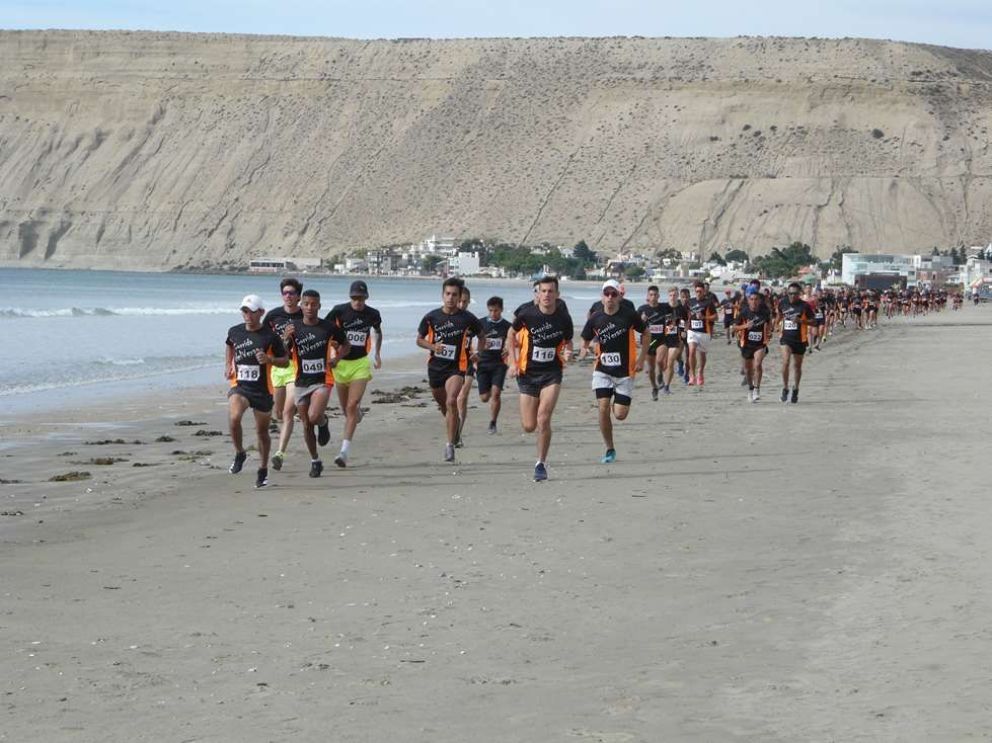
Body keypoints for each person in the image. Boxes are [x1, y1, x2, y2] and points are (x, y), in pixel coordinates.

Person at [507, 274, 574, 482]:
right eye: (543, 291)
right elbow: (511, 334)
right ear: (538, 293)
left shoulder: (563, 318)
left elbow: (568, 341)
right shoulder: (527, 314)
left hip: (552, 373)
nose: (546, 295)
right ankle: (537, 437)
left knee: (543, 418)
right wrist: (513, 362)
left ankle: (540, 463)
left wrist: (568, 352)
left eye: (550, 291)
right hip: (528, 374)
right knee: (529, 426)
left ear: (557, 294)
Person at [580, 279, 648, 463]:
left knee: (620, 415)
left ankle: (615, 400)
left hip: (625, 372)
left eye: (613, 294)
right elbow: (585, 339)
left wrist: (641, 359)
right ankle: (609, 449)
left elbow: (646, 333)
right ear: (602, 296)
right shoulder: (595, 318)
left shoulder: (629, 315)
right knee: (602, 408)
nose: (610, 297)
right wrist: (584, 349)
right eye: (606, 294)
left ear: (619, 297)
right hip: (602, 370)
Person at [225, 294, 289, 488]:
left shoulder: (270, 336)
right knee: (234, 417)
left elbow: (285, 361)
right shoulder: (235, 331)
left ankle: (262, 470)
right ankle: (240, 453)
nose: (247, 316)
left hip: (262, 390)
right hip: (241, 386)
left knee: (262, 432)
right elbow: (229, 345)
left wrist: (269, 360)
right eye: (244, 311)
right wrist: (228, 364)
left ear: (261, 313)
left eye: (252, 312)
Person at [416, 277, 482, 463]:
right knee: (444, 405)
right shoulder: (431, 317)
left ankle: (450, 445)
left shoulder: (467, 318)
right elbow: (419, 340)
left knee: (452, 400)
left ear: (460, 297)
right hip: (436, 368)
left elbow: (482, 336)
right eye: (448, 294)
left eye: (454, 295)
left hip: (457, 367)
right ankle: (455, 426)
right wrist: (432, 347)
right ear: (442, 295)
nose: (451, 298)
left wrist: (478, 353)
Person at [285, 290, 350, 477]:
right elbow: (283, 354)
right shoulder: (293, 328)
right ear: (301, 306)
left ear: (319, 306)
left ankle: (322, 421)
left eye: (313, 304)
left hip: (323, 379)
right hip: (301, 381)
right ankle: (315, 460)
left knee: (313, 416)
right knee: (306, 424)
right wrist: (285, 339)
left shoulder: (328, 327)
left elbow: (346, 345)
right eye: (306, 304)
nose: (310, 307)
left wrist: (337, 358)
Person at [325, 280, 383, 468]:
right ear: (350, 297)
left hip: (360, 364)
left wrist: (377, 354)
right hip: (341, 364)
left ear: (366, 297)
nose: (358, 301)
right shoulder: (339, 311)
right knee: (347, 411)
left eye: (361, 298)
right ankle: (356, 414)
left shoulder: (373, 314)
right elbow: (324, 330)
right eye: (355, 298)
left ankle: (344, 452)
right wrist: (333, 345)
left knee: (351, 405)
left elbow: (378, 332)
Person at [263, 278, 303, 471]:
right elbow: (263, 339)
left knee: (287, 412)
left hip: (296, 367)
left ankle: (280, 453)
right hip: (277, 367)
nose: (288, 296)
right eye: (285, 293)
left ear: (298, 297)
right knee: (278, 413)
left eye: (292, 293)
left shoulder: (305, 315)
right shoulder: (273, 316)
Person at [777, 282, 817, 404]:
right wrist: (775, 324)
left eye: (794, 294)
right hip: (786, 338)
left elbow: (814, 321)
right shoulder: (783, 303)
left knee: (797, 366)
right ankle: (785, 388)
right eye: (790, 293)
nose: (792, 296)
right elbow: (779, 314)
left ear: (799, 294)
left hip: (800, 339)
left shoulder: (804, 306)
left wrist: (801, 321)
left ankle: (796, 389)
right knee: (785, 362)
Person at [477, 296, 511, 434]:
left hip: (499, 364)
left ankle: (493, 422)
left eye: (496, 310)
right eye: (490, 310)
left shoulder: (507, 326)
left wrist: (509, 349)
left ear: (501, 310)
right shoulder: (480, 323)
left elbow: (515, 341)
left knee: (496, 394)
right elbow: (468, 338)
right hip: (483, 363)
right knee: (484, 398)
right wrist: (474, 351)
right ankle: (490, 388)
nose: (493, 313)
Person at [734, 287, 771, 402]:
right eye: (752, 299)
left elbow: (769, 323)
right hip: (746, 344)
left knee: (758, 364)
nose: (754, 301)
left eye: (756, 299)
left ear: (759, 301)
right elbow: (734, 327)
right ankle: (750, 388)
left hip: (760, 344)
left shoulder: (764, 312)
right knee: (748, 370)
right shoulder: (744, 312)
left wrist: (769, 332)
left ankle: (757, 389)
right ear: (748, 300)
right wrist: (745, 326)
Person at [637, 285, 669, 400]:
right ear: (648, 296)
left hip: (661, 340)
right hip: (648, 342)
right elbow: (635, 326)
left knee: (659, 360)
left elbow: (675, 311)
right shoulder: (642, 309)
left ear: (658, 296)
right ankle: (654, 387)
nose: (653, 297)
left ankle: (660, 374)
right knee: (651, 368)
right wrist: (641, 320)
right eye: (651, 295)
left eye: (655, 295)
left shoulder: (664, 307)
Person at [454, 285, 477, 447]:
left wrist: (478, 352)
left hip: (467, 364)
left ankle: (458, 435)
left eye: (465, 302)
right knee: (450, 400)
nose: (462, 305)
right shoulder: (446, 319)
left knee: (462, 398)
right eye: (460, 301)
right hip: (450, 365)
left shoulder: (471, 320)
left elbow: (482, 337)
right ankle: (452, 428)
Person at [685, 281, 718, 387]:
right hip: (692, 331)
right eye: (696, 291)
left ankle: (700, 372)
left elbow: (716, 317)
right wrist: (684, 327)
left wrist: (704, 317)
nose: (698, 293)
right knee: (692, 351)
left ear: (704, 291)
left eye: (700, 291)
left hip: (704, 332)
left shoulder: (708, 303)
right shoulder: (690, 302)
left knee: (702, 354)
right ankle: (692, 375)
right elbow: (685, 315)